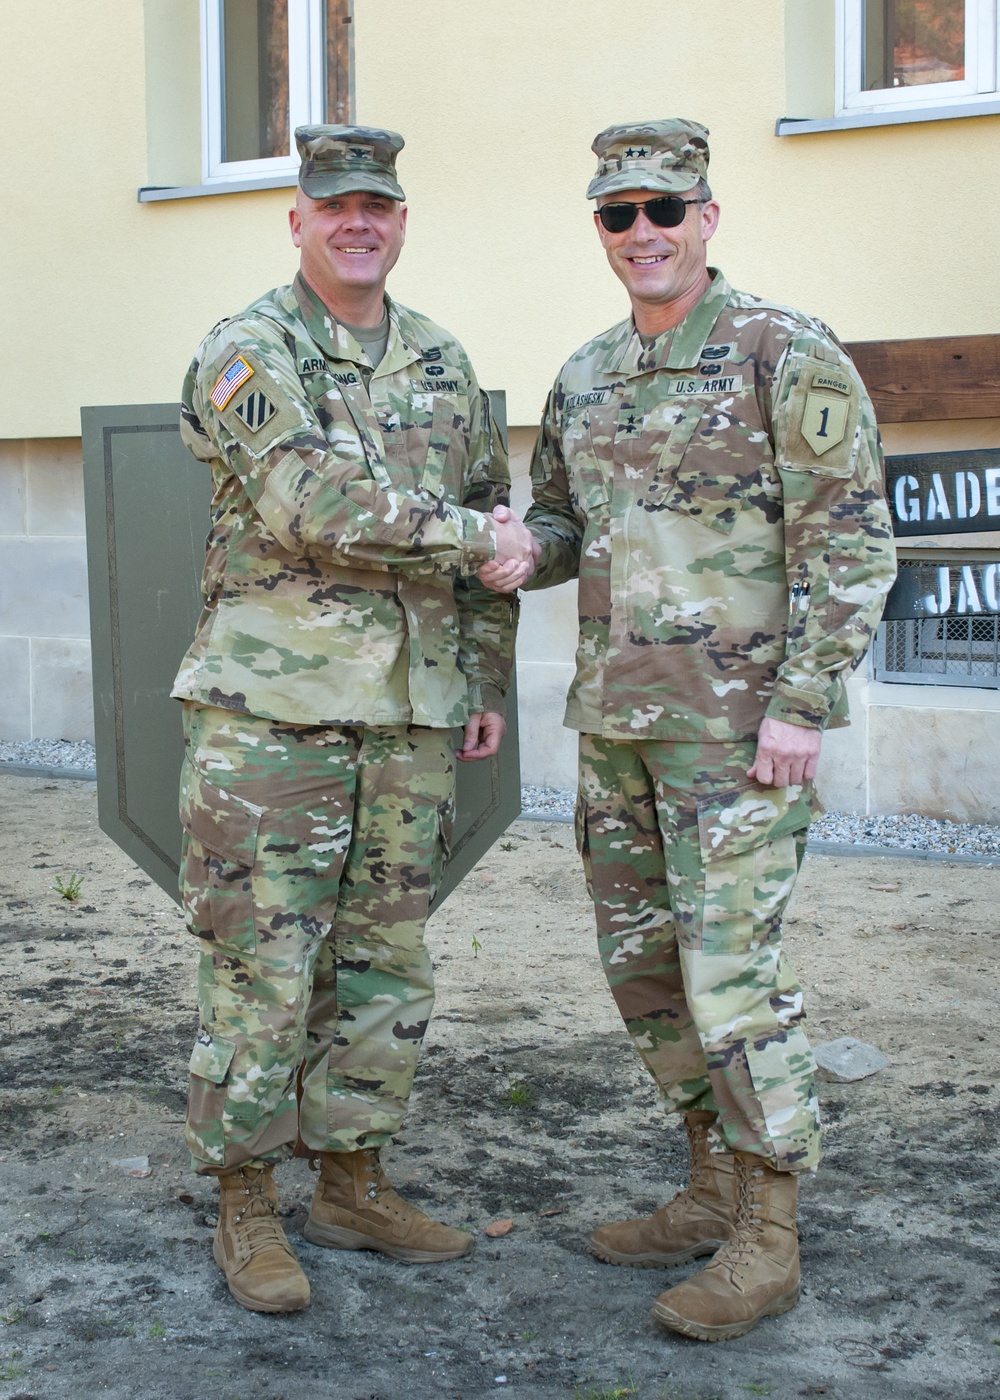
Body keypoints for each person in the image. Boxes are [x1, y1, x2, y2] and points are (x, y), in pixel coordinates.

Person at [479, 119, 896, 1341]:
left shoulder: (783, 351)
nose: (643, 232)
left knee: (731, 976)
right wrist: (514, 549)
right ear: (599, 230)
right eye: (619, 214)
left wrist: (805, 705)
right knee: (648, 974)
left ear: (706, 216)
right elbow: (562, 528)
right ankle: (709, 1179)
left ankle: (768, 1227)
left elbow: (852, 544)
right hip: (618, 731)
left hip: (737, 736)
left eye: (664, 208)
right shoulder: (588, 372)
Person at [171, 124, 535, 1314]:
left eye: (376, 202)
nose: (356, 221)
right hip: (275, 716)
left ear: (400, 218)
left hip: (411, 717)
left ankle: (352, 1177)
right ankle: (242, 1197)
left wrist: (479, 676)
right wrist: (481, 539)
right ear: (297, 221)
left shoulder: (438, 355)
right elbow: (310, 499)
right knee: (263, 964)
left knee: (383, 962)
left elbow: (490, 505)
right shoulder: (246, 348)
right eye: (334, 205)